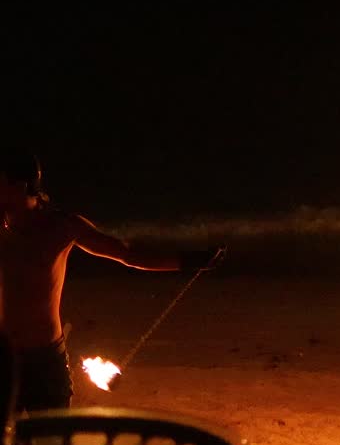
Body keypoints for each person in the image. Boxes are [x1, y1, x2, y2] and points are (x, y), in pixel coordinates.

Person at [0, 148, 224, 414]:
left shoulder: (62, 227)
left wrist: (188, 260)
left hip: (45, 360)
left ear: (20, 186)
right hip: (3, 358)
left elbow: (128, 254)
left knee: (53, 436)